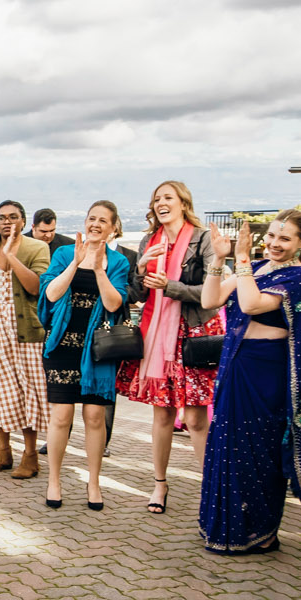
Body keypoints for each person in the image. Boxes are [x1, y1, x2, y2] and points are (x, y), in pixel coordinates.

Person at [197, 211, 301, 553]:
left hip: (268, 370)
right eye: (271, 237)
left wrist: (240, 261)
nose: (275, 244)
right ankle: (223, 527)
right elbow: (210, 300)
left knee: (259, 448)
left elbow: (251, 304)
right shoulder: (257, 267)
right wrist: (218, 260)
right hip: (238, 363)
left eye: (285, 238)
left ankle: (260, 531)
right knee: (227, 444)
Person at [117, 181, 221, 515]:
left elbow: (211, 290)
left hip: (192, 333)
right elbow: (138, 293)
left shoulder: (202, 238)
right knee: (161, 414)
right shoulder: (149, 240)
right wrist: (143, 269)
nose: (161, 203)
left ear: (182, 203)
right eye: (156, 199)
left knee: (195, 418)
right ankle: (159, 484)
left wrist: (171, 286)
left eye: (168, 198)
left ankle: (210, 486)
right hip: (156, 334)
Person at [39, 201, 132, 510]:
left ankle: (94, 483)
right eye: (92, 218)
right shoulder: (65, 253)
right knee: (61, 415)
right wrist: (75, 263)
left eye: (103, 220)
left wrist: (98, 269)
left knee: (94, 417)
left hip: (98, 349)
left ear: (113, 227)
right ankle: (54, 480)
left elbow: (114, 303)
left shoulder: (118, 262)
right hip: (62, 346)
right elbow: (51, 295)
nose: (96, 224)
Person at [0, 201, 51, 478]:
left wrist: (11, 255)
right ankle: (3, 451)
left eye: (13, 217)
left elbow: (37, 286)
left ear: (23, 222)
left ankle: (30, 456)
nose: (7, 222)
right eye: (1, 218)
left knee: (28, 394)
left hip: (27, 334)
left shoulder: (36, 248)